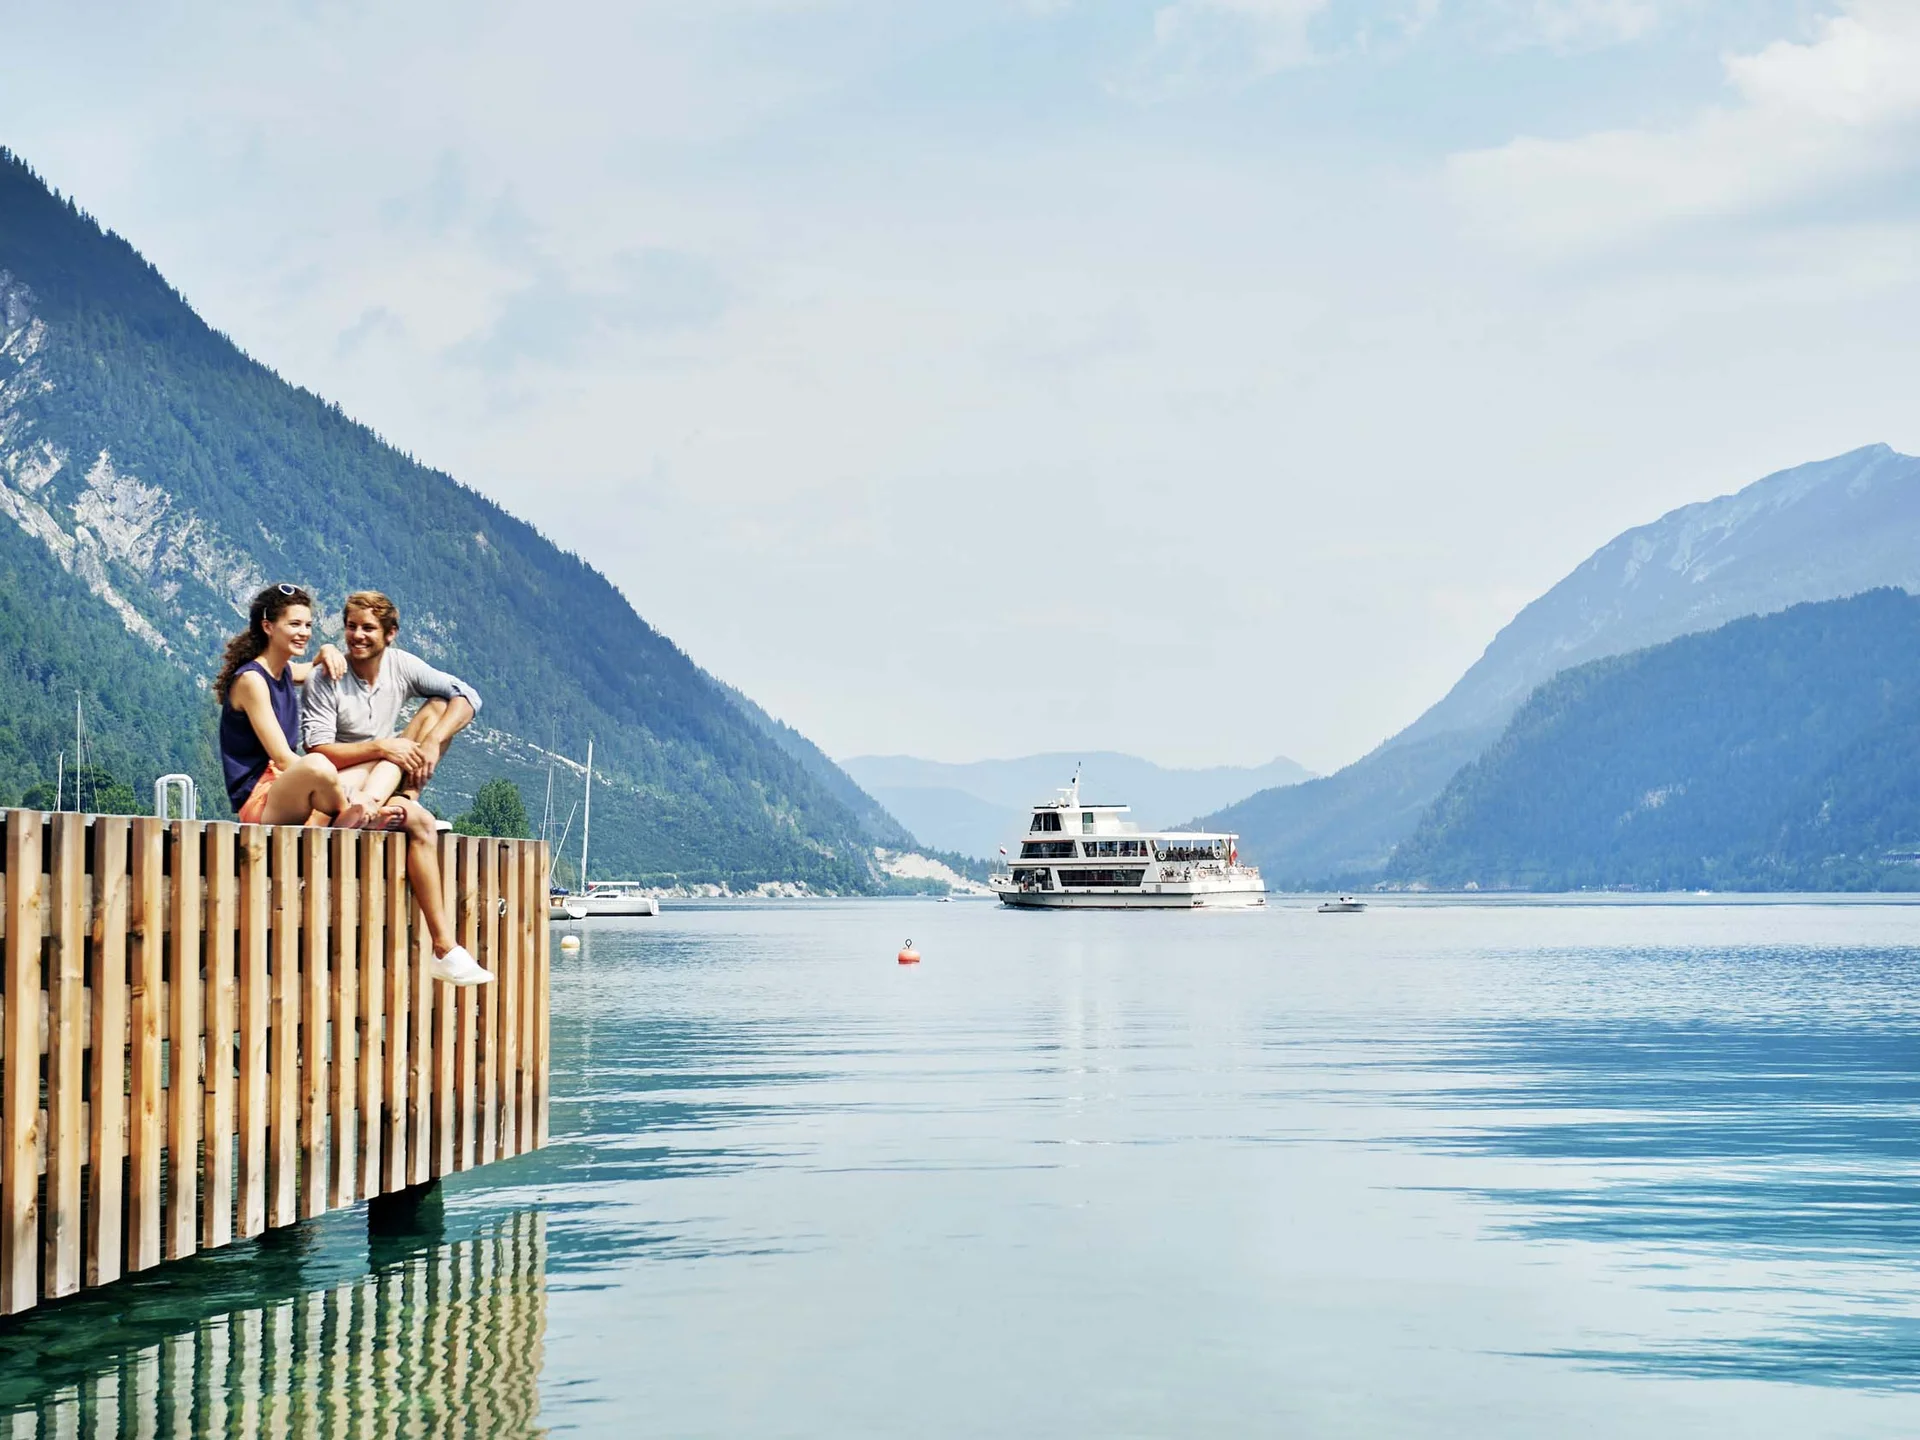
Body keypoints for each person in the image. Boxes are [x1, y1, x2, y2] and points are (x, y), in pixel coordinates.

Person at [301, 590, 492, 987]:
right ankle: (374, 809)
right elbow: (318, 752)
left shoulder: (401, 665)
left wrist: (434, 743)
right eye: (351, 627)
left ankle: (446, 950)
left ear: (390, 634)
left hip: (384, 780)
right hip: (338, 783)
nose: (357, 636)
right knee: (414, 808)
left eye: (368, 628)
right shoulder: (327, 677)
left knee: (439, 709)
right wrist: (383, 746)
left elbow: (468, 697)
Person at [215, 583, 372, 829]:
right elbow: (282, 758)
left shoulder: (284, 672)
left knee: (368, 765)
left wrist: (328, 648)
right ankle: (351, 814)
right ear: (268, 627)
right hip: (261, 799)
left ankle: (349, 816)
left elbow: (313, 667)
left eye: (308, 625)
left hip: (287, 789)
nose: (304, 633)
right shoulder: (251, 681)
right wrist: (348, 791)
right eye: (294, 624)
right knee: (318, 763)